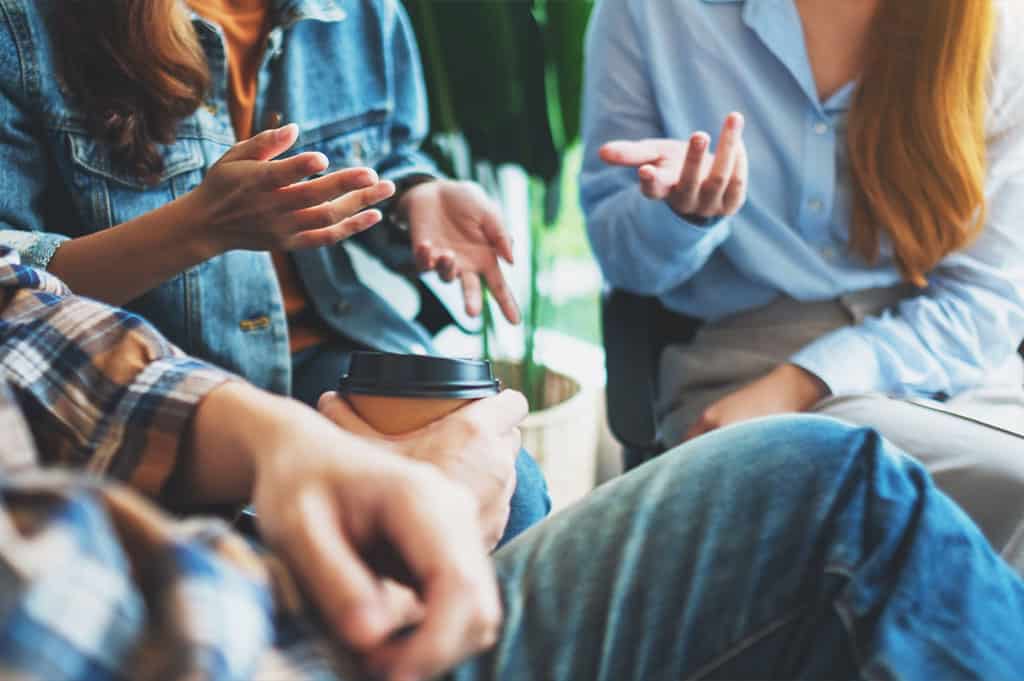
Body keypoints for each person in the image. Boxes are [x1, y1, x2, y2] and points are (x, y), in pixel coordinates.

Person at [2, 245, 1024, 681]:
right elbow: (639, 260)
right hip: (253, 636)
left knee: (516, 488)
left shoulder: (348, 18)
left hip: (261, 426)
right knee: (837, 495)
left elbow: (26, 316)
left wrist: (284, 440)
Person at [0, 0, 548, 543]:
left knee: (511, 490)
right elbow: (13, 292)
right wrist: (197, 227)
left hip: (328, 360)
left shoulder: (364, 13)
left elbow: (391, 155)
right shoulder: (24, 25)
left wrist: (415, 198)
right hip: (146, 378)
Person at [581, 0, 1024, 570]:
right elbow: (626, 265)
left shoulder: (994, 24)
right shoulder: (651, 13)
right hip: (740, 363)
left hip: (946, 359)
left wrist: (801, 384)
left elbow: (986, 302)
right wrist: (684, 218)